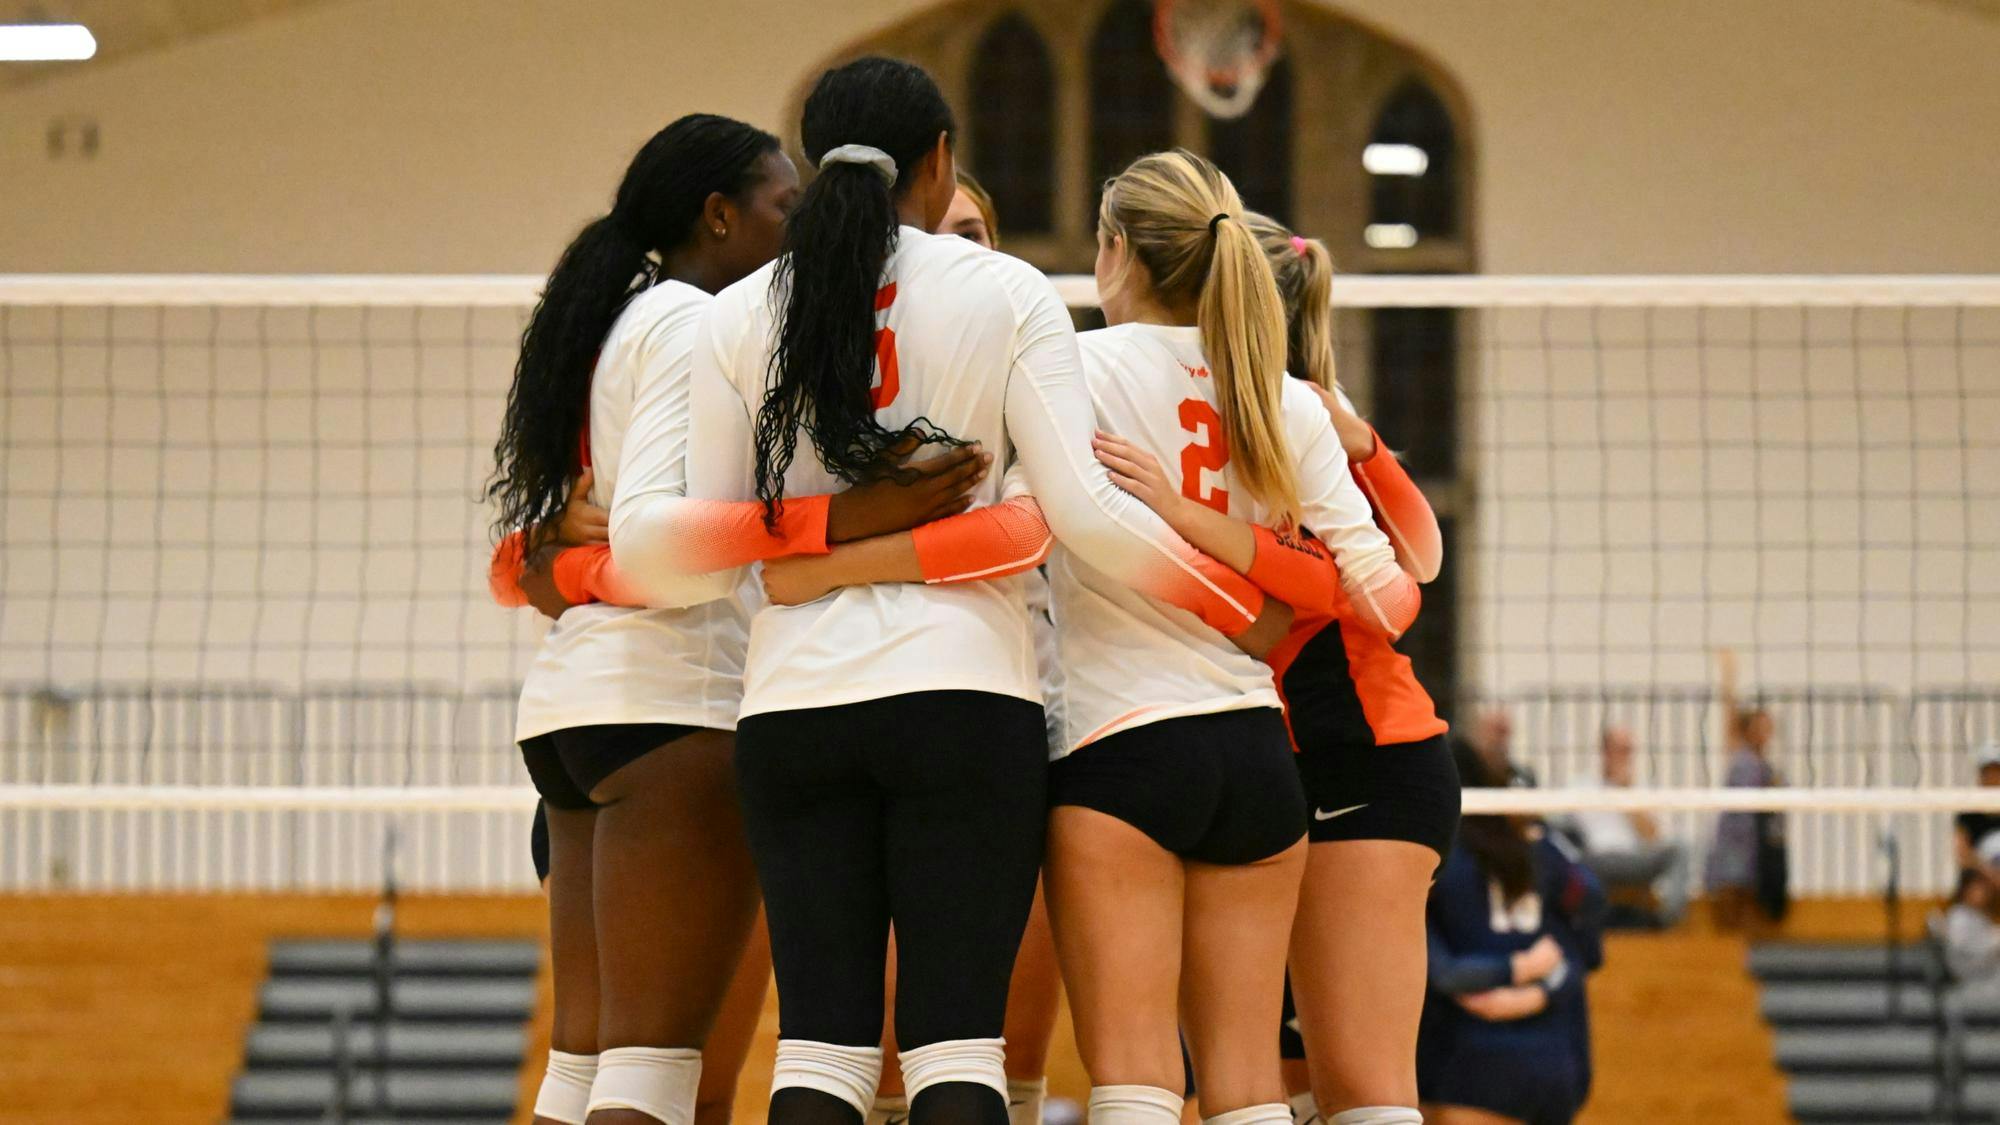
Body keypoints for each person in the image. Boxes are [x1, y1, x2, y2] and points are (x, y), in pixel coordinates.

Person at [612, 60, 1279, 1125]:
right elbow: (1083, 517)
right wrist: (1239, 609)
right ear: (939, 161)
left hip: (793, 707)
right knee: (956, 1050)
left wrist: (818, 536)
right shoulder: (1006, 292)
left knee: (819, 1055)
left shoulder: (738, 313)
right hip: (965, 703)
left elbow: (668, 551)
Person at [486, 112, 984, 1125]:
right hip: (673, 709)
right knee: (651, 1077)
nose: (800, 227)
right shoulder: (690, 321)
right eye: (782, 206)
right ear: (718, 216)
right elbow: (673, 546)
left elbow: (561, 553)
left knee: (579, 1070)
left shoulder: (619, 315)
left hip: (579, 709)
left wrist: (561, 565)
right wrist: (850, 516)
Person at [1191, 212, 1454, 1125]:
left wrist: (1361, 442)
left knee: (1363, 1094)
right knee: (1272, 1092)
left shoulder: (1308, 421)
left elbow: (1412, 568)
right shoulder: (1192, 412)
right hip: (1262, 771)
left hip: (1363, 762)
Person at [868, 170, 1065, 1125]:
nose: (954, 251)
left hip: (1021, 708)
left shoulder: (1037, 361)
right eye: (934, 231)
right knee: (879, 1049)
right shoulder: (841, 368)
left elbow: (1025, 530)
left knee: (1005, 1046)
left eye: (974, 232)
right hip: (862, 709)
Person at [1419, 744, 1605, 1125]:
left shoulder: (1437, 859)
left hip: (1469, 1068)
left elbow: (1443, 973)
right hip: (1556, 1065)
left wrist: (1511, 977)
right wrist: (1539, 989)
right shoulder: (1542, 852)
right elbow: (1585, 939)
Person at [1564, 726, 1688, 928]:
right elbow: (1562, 830)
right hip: (1596, 859)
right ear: (1605, 752)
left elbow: (1653, 837)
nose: (1624, 756)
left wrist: (1626, 794)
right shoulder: (1581, 786)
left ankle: (1666, 922)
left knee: (1680, 848)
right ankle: (1580, 921)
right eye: (1619, 749)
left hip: (1633, 859)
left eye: (1628, 750)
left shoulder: (1639, 788)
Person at [1705, 648, 1784, 931]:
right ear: (1748, 729)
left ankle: (1743, 943)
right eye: (1760, 726)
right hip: (1733, 834)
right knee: (1728, 890)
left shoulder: (1767, 767)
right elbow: (1729, 714)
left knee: (1751, 895)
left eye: (1768, 727)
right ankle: (1728, 942)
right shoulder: (1740, 752)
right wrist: (1729, 675)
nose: (1765, 732)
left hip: (1756, 839)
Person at [1954, 742, 2000, 871]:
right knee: (1976, 885)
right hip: (1980, 875)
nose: (1993, 777)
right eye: (1988, 772)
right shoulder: (1968, 812)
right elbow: (1962, 854)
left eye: (1997, 771)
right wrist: (1991, 874)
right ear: (1981, 775)